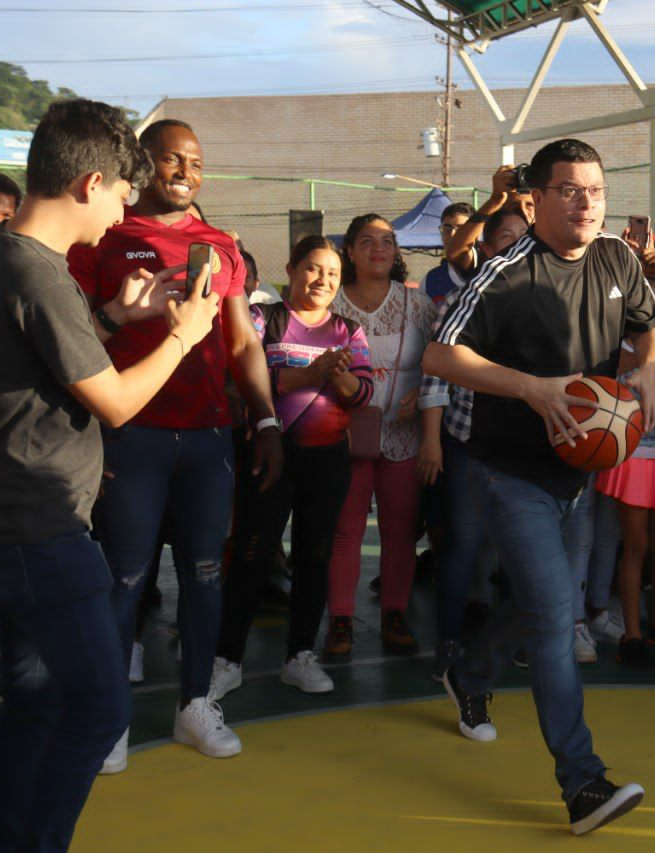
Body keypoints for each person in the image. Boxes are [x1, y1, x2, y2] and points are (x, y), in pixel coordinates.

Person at [0, 98, 220, 851]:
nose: (124, 207)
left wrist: (115, 317)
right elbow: (117, 402)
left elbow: (41, 361)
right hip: (39, 525)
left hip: (6, 518)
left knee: (34, 699)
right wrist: (181, 334)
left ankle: (8, 841)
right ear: (87, 183)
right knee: (98, 708)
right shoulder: (36, 273)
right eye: (119, 190)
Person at [424, 137, 655, 835]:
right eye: (569, 190)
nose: (586, 202)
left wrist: (645, 369)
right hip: (509, 472)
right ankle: (582, 783)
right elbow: (440, 352)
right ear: (535, 198)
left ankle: (470, 670)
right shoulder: (505, 272)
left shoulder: (617, 257)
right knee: (557, 616)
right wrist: (531, 388)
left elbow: (653, 332)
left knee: (539, 606)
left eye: (596, 189)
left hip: (577, 473)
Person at [69, 118, 283, 769]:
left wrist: (267, 419)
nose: (185, 169)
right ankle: (109, 721)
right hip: (131, 434)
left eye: (195, 159)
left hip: (209, 437)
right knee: (124, 576)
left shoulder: (222, 244)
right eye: (171, 158)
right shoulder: (109, 235)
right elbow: (75, 330)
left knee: (204, 573)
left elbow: (243, 342)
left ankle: (195, 704)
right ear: (144, 164)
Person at [212, 236, 373, 698]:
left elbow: (363, 395)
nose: (322, 280)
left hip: (327, 460)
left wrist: (340, 376)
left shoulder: (348, 331)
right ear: (291, 269)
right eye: (313, 269)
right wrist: (310, 373)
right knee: (251, 553)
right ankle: (227, 658)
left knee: (315, 555)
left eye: (333, 273)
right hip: (270, 454)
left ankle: (300, 654)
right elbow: (242, 377)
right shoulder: (264, 318)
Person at [421, 205, 530, 680]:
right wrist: (431, 439)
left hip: (524, 450)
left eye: (524, 238)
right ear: (484, 249)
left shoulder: (547, 305)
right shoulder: (459, 303)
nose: (517, 247)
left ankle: (513, 644)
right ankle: (447, 642)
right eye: (505, 238)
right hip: (468, 444)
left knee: (522, 551)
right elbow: (434, 376)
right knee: (462, 544)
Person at [325, 213, 441, 657]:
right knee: (345, 530)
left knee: (400, 530)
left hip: (404, 436)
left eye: (388, 241)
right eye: (367, 241)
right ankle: (340, 621)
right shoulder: (331, 304)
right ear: (349, 251)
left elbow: (439, 358)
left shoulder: (418, 304)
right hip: (346, 435)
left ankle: (395, 612)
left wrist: (420, 394)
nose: (379, 249)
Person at [595, 277, 655, 667]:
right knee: (635, 546)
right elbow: (612, 410)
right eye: (650, 299)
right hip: (631, 460)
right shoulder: (617, 353)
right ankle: (632, 632)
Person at [424, 200, 475, 304]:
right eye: (447, 229)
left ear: (475, 233)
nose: (452, 234)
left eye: (461, 229)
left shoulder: (491, 271)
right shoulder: (431, 280)